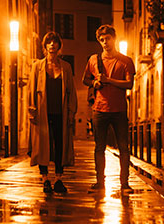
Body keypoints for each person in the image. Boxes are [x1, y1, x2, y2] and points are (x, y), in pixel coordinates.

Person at [82, 24, 136, 193]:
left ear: (114, 38)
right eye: (102, 40)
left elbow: (129, 84)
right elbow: (86, 80)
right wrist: (95, 82)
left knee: (123, 147)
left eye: (108, 39)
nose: (105, 42)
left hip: (119, 110)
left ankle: (124, 183)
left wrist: (108, 80)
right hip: (99, 109)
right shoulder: (93, 60)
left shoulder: (126, 61)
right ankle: (100, 182)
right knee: (99, 147)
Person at [28, 31, 77, 193]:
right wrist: (32, 110)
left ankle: (58, 179)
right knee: (43, 145)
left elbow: (71, 91)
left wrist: (71, 112)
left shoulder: (66, 67)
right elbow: (31, 90)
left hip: (60, 113)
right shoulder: (37, 67)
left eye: (55, 42)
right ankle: (45, 179)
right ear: (45, 46)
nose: (52, 45)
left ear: (59, 46)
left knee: (60, 145)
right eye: (49, 42)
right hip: (42, 113)